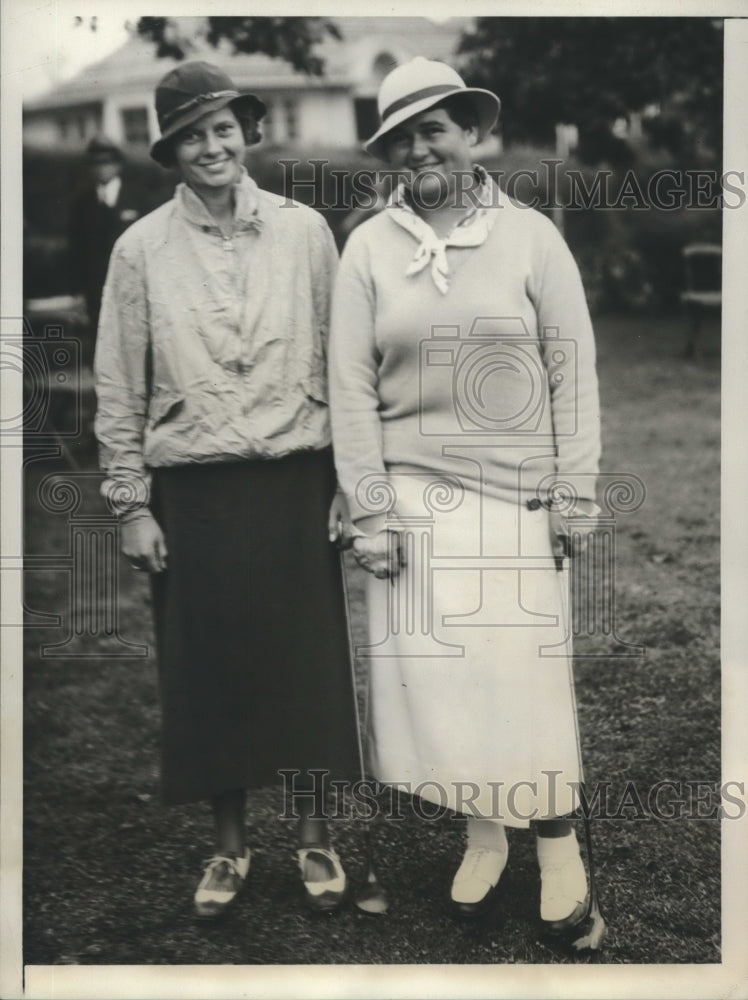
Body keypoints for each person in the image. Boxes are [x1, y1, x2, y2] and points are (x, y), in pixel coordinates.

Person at [329, 58, 601, 930]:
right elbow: (349, 390)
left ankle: (558, 848)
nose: (419, 149)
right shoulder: (368, 245)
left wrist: (576, 492)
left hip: (516, 496)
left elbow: (575, 375)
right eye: (401, 138)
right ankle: (484, 835)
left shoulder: (530, 235)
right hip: (410, 504)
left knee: (522, 681)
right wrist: (369, 508)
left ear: (472, 134)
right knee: (445, 689)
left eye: (434, 129)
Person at [94, 61, 360, 920]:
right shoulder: (138, 249)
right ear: (168, 149)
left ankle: (316, 836)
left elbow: (342, 366)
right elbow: (118, 387)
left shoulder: (306, 230)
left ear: (247, 133)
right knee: (210, 676)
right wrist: (132, 504)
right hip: (194, 493)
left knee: (307, 672)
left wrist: (350, 483)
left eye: (224, 129)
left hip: (295, 480)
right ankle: (228, 848)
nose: (211, 147)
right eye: (191, 135)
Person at [69, 135, 147, 357]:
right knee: (102, 344)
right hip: (96, 288)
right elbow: (76, 251)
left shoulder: (137, 198)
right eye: (96, 163)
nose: (102, 169)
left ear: (118, 164)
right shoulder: (81, 203)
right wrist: (77, 293)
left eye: (107, 162)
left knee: (135, 342)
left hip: (132, 284)